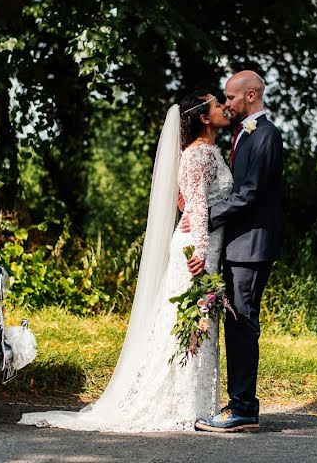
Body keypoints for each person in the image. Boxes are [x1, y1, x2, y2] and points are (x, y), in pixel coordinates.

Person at [18, 91, 232, 432]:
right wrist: (203, 253)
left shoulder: (207, 152)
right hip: (195, 251)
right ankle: (182, 406)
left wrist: (197, 221)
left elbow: (192, 203)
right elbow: (197, 208)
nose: (224, 107)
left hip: (203, 244)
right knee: (190, 323)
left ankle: (196, 404)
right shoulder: (198, 154)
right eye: (217, 104)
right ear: (204, 117)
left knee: (196, 324)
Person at [187, 70, 284, 433]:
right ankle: (241, 403)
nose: (226, 104)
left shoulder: (267, 136)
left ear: (251, 96)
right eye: (224, 99)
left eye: (230, 97)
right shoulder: (245, 135)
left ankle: (244, 408)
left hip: (252, 246)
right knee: (237, 321)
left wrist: (206, 216)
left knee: (242, 324)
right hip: (239, 244)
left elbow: (251, 192)